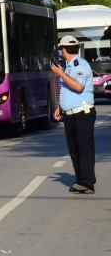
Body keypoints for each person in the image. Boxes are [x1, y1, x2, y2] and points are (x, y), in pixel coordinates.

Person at [51, 35, 96, 194]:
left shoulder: (79, 64)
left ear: (64, 50)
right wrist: (60, 107)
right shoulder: (68, 66)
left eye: (61, 50)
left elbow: (78, 87)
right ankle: (80, 180)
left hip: (82, 113)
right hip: (70, 114)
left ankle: (87, 182)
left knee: (84, 148)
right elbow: (67, 89)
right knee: (74, 149)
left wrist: (60, 74)